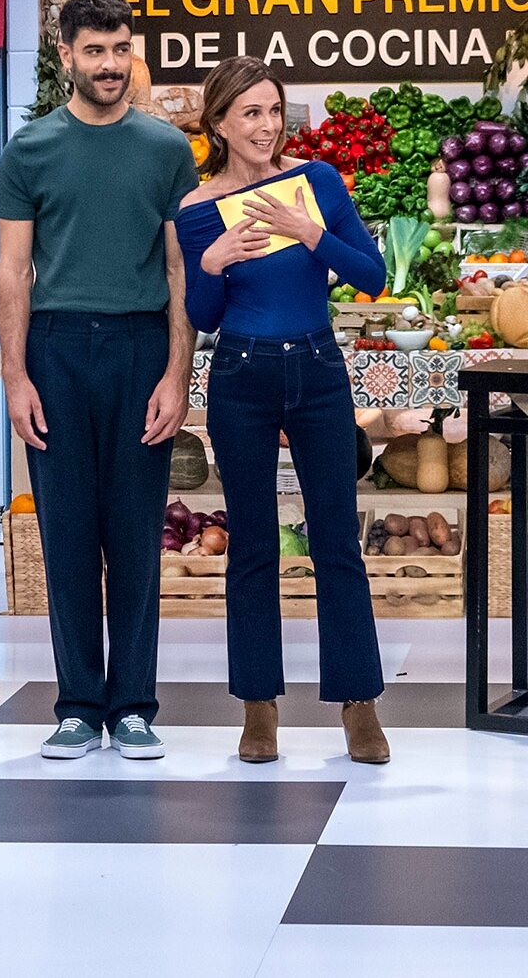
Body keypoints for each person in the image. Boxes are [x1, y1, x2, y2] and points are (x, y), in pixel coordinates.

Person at [0, 0, 199, 761]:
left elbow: (180, 267)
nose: (110, 65)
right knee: (68, 531)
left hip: (141, 346)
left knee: (137, 533)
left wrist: (177, 372)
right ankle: (79, 704)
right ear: (66, 56)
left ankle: (135, 706)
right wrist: (16, 377)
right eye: (94, 51)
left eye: (121, 49)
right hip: (55, 350)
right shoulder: (30, 151)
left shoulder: (165, 149)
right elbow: (14, 272)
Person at [174, 57, 390, 765]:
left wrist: (311, 232)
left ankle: (359, 705)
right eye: (251, 114)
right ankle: (258, 708)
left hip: (320, 368)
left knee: (336, 539)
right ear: (220, 124)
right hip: (240, 372)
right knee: (255, 545)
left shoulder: (317, 184)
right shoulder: (199, 210)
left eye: (274, 111)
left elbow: (371, 276)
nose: (266, 127)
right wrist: (210, 265)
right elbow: (203, 315)